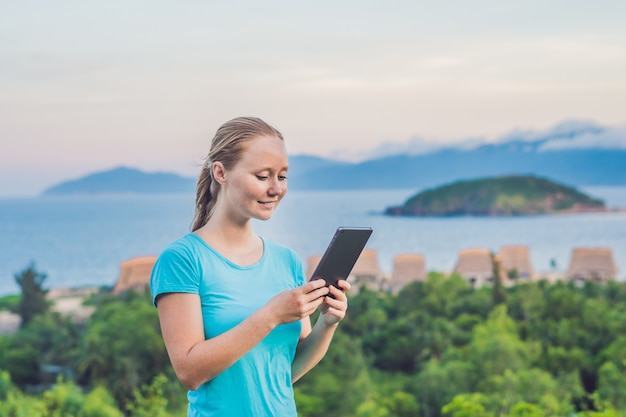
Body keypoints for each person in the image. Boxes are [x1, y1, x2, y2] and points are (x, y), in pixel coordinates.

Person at [149, 116, 351, 416]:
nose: (276, 189)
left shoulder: (287, 261)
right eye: (262, 176)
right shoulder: (182, 259)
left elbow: (287, 371)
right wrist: (270, 316)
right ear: (220, 172)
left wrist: (328, 323)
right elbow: (189, 373)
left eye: (282, 176)